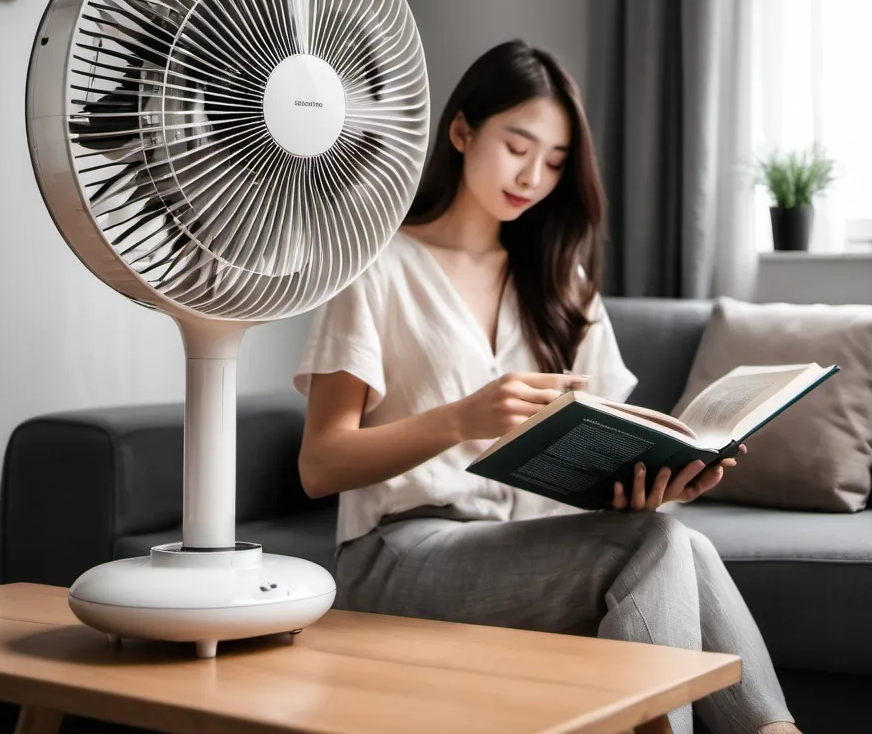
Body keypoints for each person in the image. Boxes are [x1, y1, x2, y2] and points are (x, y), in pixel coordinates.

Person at [294, 40, 799, 734]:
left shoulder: (562, 285)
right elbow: (320, 464)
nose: (532, 176)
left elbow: (608, 430)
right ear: (463, 130)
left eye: (555, 162)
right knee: (652, 547)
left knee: (675, 536)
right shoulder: (377, 266)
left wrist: (654, 477)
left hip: (531, 544)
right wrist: (459, 419)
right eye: (518, 146)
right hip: (398, 554)